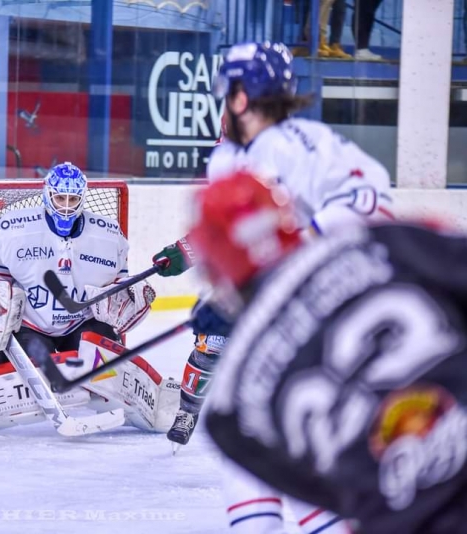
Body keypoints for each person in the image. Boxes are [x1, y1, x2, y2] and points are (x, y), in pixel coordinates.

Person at [151, 41, 392, 532]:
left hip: (319, 322)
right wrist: (222, 288)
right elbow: (238, 238)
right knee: (250, 443)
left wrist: (286, 264)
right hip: (276, 321)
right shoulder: (230, 158)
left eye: (227, 94)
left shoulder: (304, 146)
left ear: (242, 97)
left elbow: (373, 201)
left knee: (282, 442)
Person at [193, 170, 467, 533]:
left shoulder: (226, 412)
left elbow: (329, 493)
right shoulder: (371, 240)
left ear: (215, 271)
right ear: (286, 222)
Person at [0, 161, 154, 365]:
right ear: (48, 195)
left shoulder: (108, 234)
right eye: (60, 198)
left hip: (82, 322)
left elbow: (118, 278)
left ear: (82, 199)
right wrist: (1, 302)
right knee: (28, 376)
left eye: (72, 199)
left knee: (103, 364)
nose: (65, 206)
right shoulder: (13, 228)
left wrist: (125, 295)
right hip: (30, 324)